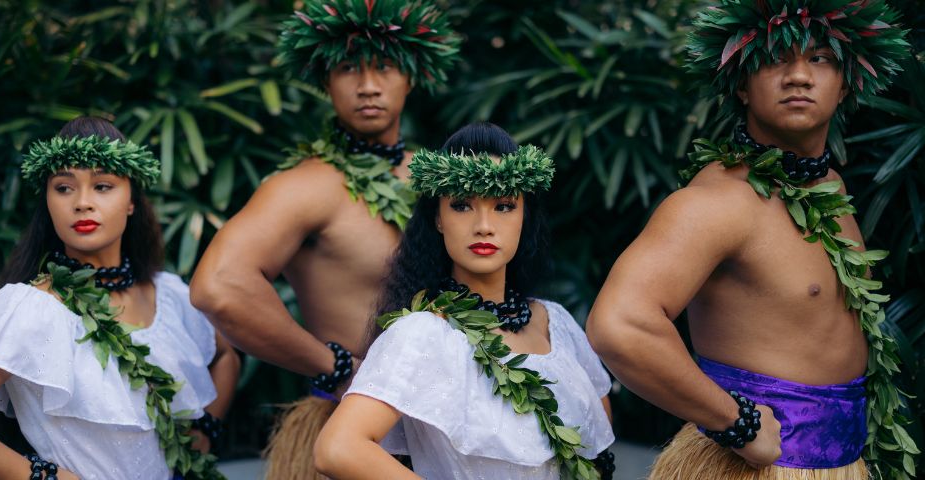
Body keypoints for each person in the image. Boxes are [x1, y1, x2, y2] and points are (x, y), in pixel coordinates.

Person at [586, 1, 916, 479]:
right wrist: (735, 424)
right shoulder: (720, 202)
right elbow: (621, 326)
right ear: (741, 83)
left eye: (820, 58)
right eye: (776, 59)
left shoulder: (831, 189)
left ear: (844, 83)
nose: (799, 76)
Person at [189, 1, 459, 478]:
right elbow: (219, 286)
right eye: (349, 68)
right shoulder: (305, 187)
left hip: (455, 424)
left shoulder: (443, 180)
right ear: (325, 81)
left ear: (412, 77)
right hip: (350, 431)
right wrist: (332, 365)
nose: (368, 85)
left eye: (386, 67)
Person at [0, 117, 239, 480]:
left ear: (132, 201)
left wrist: (202, 438)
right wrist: (46, 477)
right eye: (63, 188)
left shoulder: (170, 294)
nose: (82, 203)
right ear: (48, 201)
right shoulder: (31, 308)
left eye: (103, 186)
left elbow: (225, 354)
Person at [313, 123, 616, 480]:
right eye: (462, 205)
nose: (484, 225)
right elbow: (337, 448)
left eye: (504, 206)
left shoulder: (558, 323)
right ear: (438, 219)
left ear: (524, 217)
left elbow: (599, 442)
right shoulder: (423, 333)